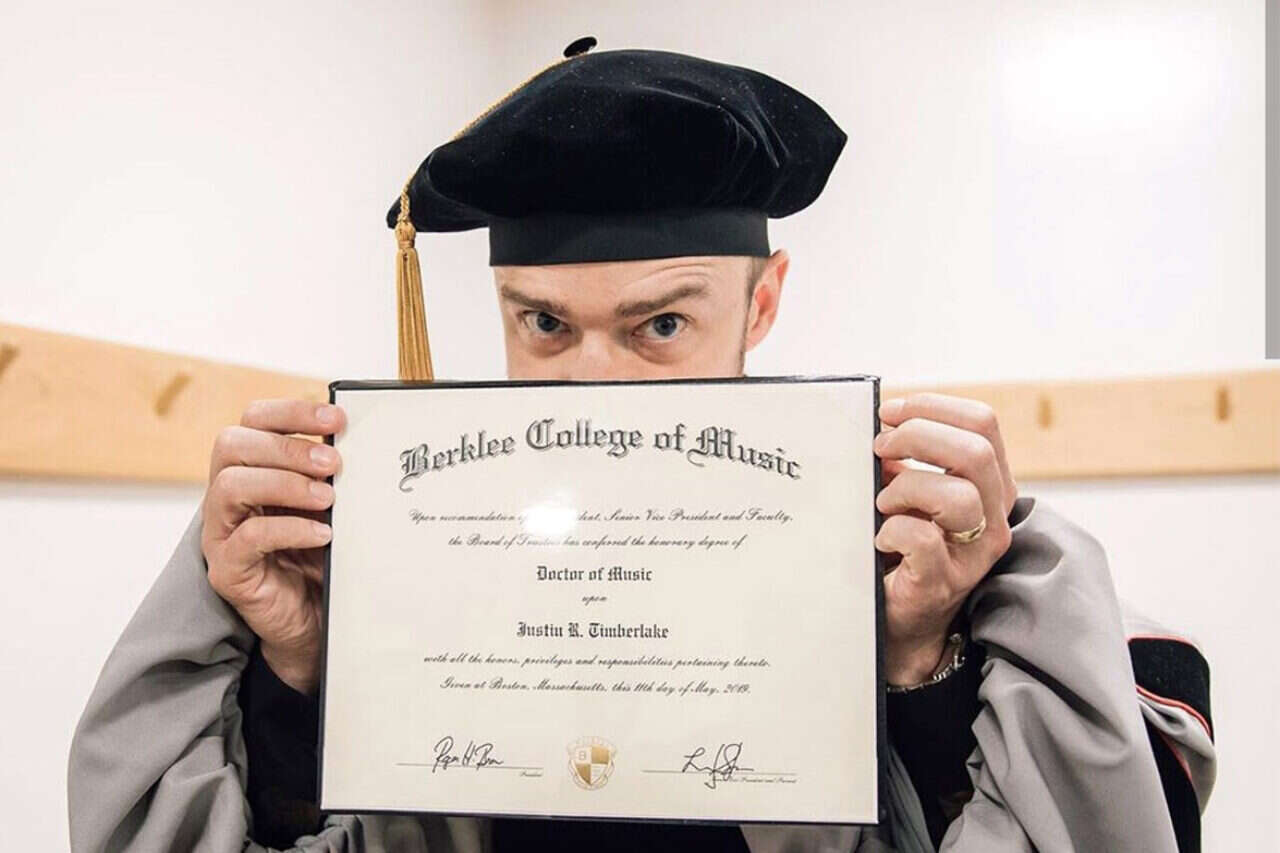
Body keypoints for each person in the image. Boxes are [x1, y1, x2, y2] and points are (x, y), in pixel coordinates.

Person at [67, 41, 1215, 853]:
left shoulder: (924, 540)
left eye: (659, 325)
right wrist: (305, 672)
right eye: (541, 323)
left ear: (761, 303)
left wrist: (917, 661)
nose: (593, 381)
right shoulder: (399, 547)